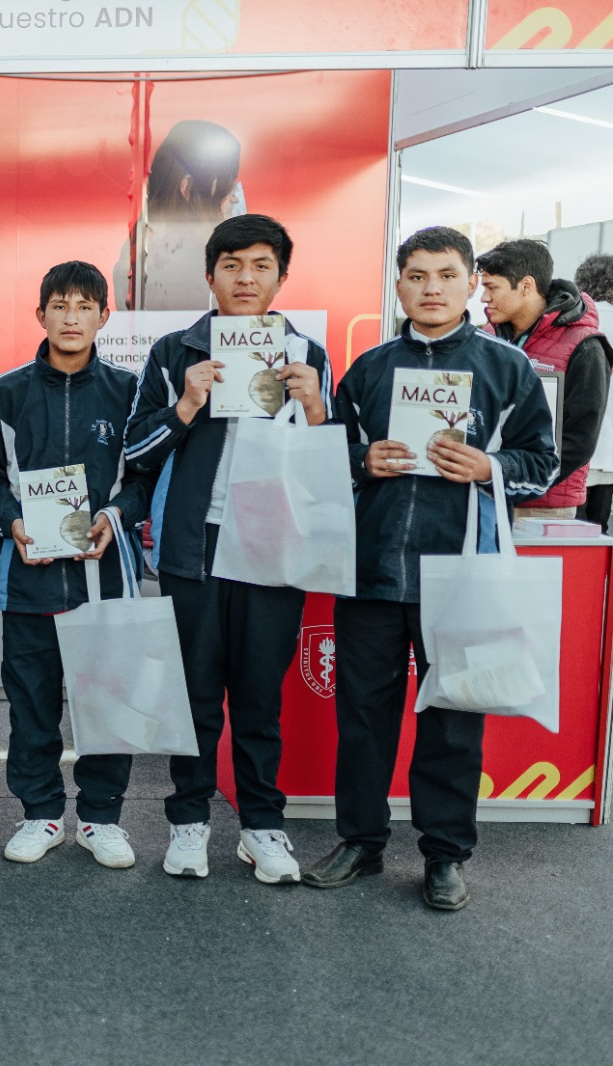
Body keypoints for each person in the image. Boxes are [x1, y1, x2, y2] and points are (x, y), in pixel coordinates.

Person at [304, 226, 558, 911]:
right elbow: (328, 456)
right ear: (399, 285)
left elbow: (544, 462)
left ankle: (445, 855)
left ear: (471, 281)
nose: (432, 288)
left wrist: (492, 467)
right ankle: (360, 841)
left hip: (462, 572)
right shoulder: (370, 368)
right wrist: (362, 461)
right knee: (362, 719)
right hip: (372, 570)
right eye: (417, 276)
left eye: (446, 275)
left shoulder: (508, 369)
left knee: (453, 722)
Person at [122, 214, 332, 884]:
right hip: (196, 547)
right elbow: (135, 453)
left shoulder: (309, 354)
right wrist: (186, 405)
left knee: (259, 699)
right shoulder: (174, 351)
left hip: (273, 544)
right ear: (209, 274)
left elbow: (330, 464)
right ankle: (188, 823)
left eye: (261, 265)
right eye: (233, 265)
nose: (246, 278)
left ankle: (262, 828)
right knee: (194, 695)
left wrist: (317, 409)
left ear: (281, 276)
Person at [0, 261, 153, 866]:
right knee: (32, 706)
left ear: (104, 316)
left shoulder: (128, 392)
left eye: (85, 306)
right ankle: (42, 815)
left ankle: (101, 818)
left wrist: (114, 516)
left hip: (104, 579)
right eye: (60, 305)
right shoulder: (5, 393)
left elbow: (143, 479)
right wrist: (11, 521)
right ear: (40, 315)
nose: (72, 317)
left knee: (108, 704)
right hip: (27, 580)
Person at [476, 239, 611, 520]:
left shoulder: (584, 345)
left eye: (492, 288)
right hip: (483, 496)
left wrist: (521, 483)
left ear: (526, 286)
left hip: (543, 507)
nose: (484, 298)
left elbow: (579, 439)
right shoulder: (484, 337)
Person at [115, 120, 244, 311]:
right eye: (227, 186)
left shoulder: (141, 249)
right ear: (187, 187)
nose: (235, 198)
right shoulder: (177, 262)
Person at [574, 254, 613, 531]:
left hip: (578, 448)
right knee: (599, 531)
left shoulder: (574, 320)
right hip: (610, 454)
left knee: (573, 533)